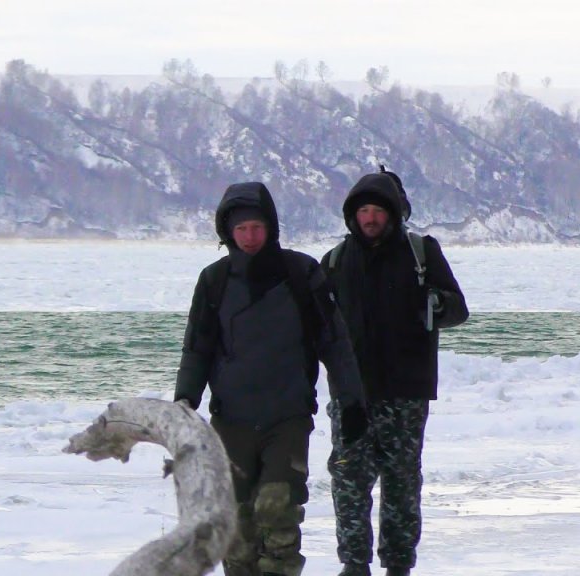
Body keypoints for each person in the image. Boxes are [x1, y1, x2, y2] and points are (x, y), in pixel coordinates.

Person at [174, 181, 367, 576]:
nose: (249, 237)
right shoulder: (214, 281)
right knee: (238, 520)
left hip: (288, 417)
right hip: (232, 419)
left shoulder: (302, 273)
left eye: (257, 228)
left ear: (272, 227)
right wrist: (185, 400)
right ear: (227, 231)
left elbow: (335, 342)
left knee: (278, 507)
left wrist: (351, 400)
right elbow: (198, 347)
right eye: (241, 229)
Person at [322, 169, 468, 576]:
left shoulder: (421, 252)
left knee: (401, 484)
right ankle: (354, 564)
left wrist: (436, 305)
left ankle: (399, 564)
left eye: (377, 211)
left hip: (406, 393)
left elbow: (458, 308)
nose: (370, 218)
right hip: (351, 395)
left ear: (393, 214)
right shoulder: (334, 262)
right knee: (349, 482)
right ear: (353, 216)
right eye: (363, 210)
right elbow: (317, 327)